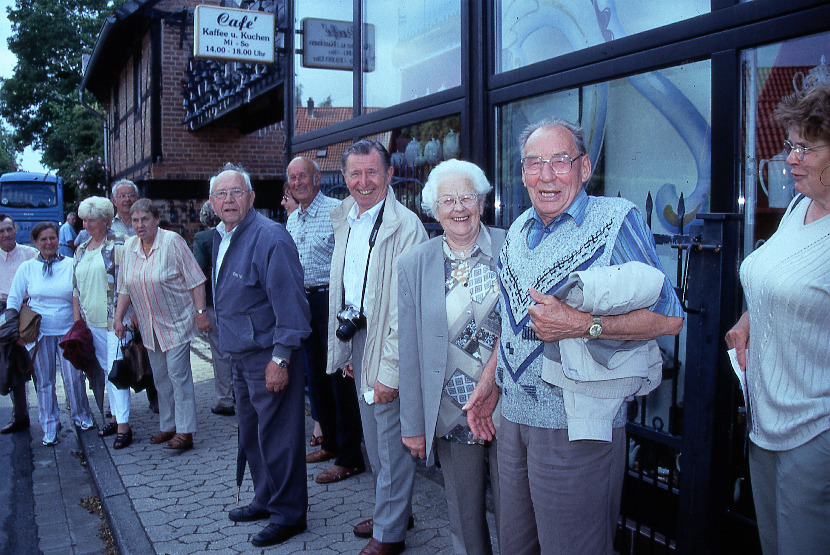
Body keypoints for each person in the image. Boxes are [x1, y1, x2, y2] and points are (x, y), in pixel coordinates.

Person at [483, 118, 683, 554]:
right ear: (522, 173)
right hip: (514, 422)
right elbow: (512, 322)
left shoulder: (616, 220)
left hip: (579, 425)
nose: (547, 175)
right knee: (516, 547)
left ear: (585, 167)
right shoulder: (518, 230)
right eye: (534, 163)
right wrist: (487, 385)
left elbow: (669, 319)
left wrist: (583, 324)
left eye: (560, 161)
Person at [725, 83, 830, 555]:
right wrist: (751, 319)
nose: (791, 158)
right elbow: (784, 283)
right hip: (765, 422)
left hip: (815, 429)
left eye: (806, 147)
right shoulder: (797, 208)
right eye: (790, 145)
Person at [327, 140, 427, 555]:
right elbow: (345, 288)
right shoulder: (345, 219)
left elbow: (406, 311)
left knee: (389, 444)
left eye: (372, 173)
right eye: (355, 173)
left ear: (389, 175)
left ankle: (390, 534)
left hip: (392, 343)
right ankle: (394, 510)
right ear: (345, 177)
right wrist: (349, 352)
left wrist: (388, 370)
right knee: (374, 440)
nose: (363, 182)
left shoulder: (406, 228)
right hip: (359, 336)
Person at [398, 159, 502, 555]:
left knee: (517, 512)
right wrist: (413, 423)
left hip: (506, 403)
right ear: (435, 209)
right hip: (451, 410)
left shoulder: (511, 247)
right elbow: (409, 349)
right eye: (448, 201)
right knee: (465, 516)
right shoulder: (414, 264)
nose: (459, 208)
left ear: (481, 202)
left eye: (467, 198)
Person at [209, 164, 311, 547]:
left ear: (252, 198)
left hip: (268, 356)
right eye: (222, 194)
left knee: (279, 436)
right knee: (253, 435)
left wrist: (281, 358)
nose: (229, 199)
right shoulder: (224, 236)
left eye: (237, 192)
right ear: (212, 202)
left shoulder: (271, 237)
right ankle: (266, 499)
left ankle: (289, 515)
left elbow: (292, 307)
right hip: (240, 355)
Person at [285, 156, 365, 484]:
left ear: (317, 178)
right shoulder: (292, 219)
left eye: (303, 176)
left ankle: (350, 457)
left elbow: (351, 260)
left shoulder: (338, 211)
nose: (298, 182)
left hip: (331, 301)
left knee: (339, 378)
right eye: (292, 178)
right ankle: (329, 443)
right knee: (315, 378)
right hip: (304, 303)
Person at [114, 198, 209, 451]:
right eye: (134, 220)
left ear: (156, 219)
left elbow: (196, 279)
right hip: (148, 325)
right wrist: (119, 317)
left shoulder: (172, 242)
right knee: (160, 379)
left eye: (145, 219)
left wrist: (201, 313)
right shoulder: (129, 246)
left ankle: (186, 431)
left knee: (179, 377)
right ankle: (168, 426)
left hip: (176, 320)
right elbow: (125, 287)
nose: (139, 225)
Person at [7, 221, 94, 445]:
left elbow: (81, 294)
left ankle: (81, 416)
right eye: (43, 239)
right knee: (45, 382)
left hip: (68, 332)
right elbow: (14, 300)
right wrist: (13, 331)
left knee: (74, 378)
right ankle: (49, 426)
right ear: (35, 243)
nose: (49, 243)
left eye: (52, 238)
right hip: (40, 334)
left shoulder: (71, 263)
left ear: (58, 239)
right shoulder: (27, 268)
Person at [72, 197, 133, 449]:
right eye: (84, 219)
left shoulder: (120, 244)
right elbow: (75, 289)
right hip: (92, 322)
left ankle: (124, 428)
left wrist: (120, 318)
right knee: (107, 372)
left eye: (92, 219)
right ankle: (115, 417)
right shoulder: (81, 248)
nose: (87, 224)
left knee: (117, 372)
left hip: (115, 322)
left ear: (107, 221)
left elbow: (127, 284)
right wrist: (78, 323)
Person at [108, 179, 158, 414]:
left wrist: (139, 307)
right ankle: (119, 406)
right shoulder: (108, 227)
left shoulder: (147, 224)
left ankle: (155, 398)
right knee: (124, 351)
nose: (127, 199)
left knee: (150, 350)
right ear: (114, 200)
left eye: (131, 195)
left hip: (145, 297)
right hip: (120, 295)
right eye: (122, 196)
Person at [191, 201, 234, 416]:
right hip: (236, 302)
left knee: (219, 352)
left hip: (212, 302)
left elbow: (197, 274)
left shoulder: (202, 239)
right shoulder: (237, 233)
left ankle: (225, 399)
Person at [0, 214, 37, 434]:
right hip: (4, 315)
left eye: (8, 229)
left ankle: (51, 416)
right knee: (11, 362)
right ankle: (20, 415)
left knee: (36, 362)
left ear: (15, 229)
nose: (5, 235)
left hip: (29, 311)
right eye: (0, 231)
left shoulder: (30, 254)